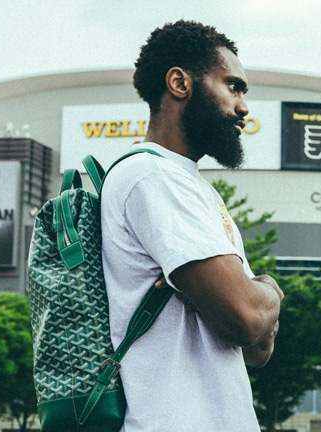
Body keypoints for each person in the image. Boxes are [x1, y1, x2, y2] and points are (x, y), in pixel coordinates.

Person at [100, 20, 283, 432]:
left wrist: (254, 308)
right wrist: (271, 289)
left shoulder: (187, 184)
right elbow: (247, 318)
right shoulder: (153, 178)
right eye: (232, 86)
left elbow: (257, 351)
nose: (243, 106)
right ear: (180, 83)